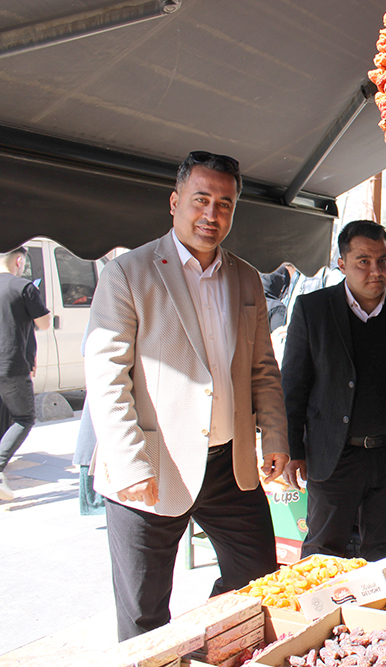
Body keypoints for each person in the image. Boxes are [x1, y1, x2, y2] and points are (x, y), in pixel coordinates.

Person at [85, 151, 289, 640]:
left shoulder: (246, 277)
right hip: (151, 465)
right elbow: (107, 375)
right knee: (144, 612)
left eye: (224, 203)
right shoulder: (127, 273)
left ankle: (209, 644)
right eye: (200, 199)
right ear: (175, 202)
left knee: (258, 582)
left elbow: (263, 367)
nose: (211, 214)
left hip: (229, 465)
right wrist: (129, 462)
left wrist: (275, 436)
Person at [281, 220, 386, 560]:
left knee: (385, 552)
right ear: (342, 263)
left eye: (383, 260)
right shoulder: (313, 309)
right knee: (323, 550)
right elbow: (293, 385)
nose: (376, 271)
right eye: (363, 261)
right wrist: (293, 449)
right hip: (333, 455)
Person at [0, 246, 51, 501]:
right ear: (19, 261)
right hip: (11, 365)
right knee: (24, 418)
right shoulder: (23, 287)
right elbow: (44, 323)